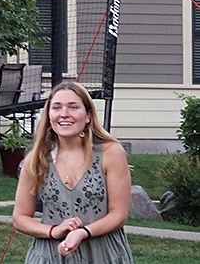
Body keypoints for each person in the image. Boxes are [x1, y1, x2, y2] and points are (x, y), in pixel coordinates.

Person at [13, 82, 133, 262]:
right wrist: (53, 231)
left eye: (73, 107)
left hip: (102, 254)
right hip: (50, 256)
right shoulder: (36, 160)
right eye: (56, 107)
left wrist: (83, 233)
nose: (64, 114)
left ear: (88, 115)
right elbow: (20, 217)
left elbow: (119, 214)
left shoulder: (111, 153)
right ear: (49, 115)